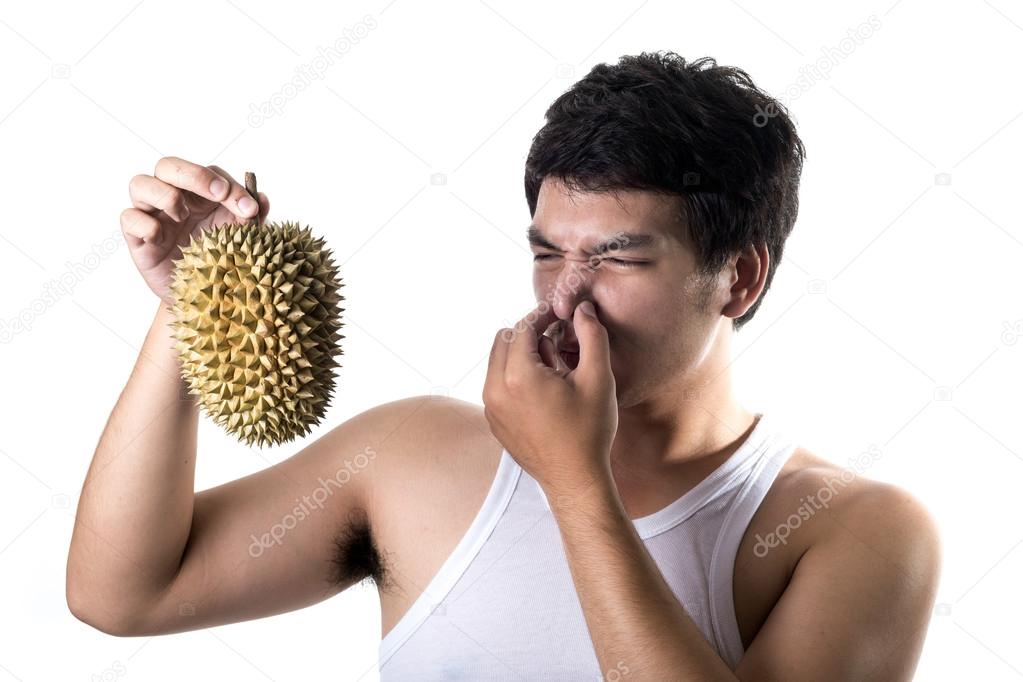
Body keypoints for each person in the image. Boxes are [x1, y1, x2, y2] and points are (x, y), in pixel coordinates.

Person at [67, 52, 941, 680]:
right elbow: (123, 596)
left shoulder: (855, 533)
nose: (565, 297)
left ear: (738, 279)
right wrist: (194, 305)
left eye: (618, 259)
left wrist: (573, 481)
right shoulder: (411, 454)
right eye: (545, 252)